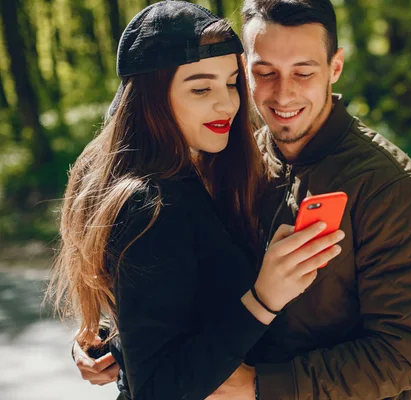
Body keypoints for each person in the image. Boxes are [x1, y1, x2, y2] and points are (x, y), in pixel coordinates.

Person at [74, 0, 411, 399]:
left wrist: (258, 386)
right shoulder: (227, 160)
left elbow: (401, 356)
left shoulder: (391, 188)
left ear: (335, 68)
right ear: (244, 69)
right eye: (264, 73)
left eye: (303, 72)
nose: (283, 94)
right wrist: (121, 341)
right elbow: (185, 284)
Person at [47, 1, 345, 399]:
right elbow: (155, 388)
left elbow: (177, 312)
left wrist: (116, 344)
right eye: (201, 88)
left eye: (231, 83)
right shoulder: (147, 203)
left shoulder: (203, 169)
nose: (227, 103)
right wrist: (262, 299)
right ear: (152, 96)